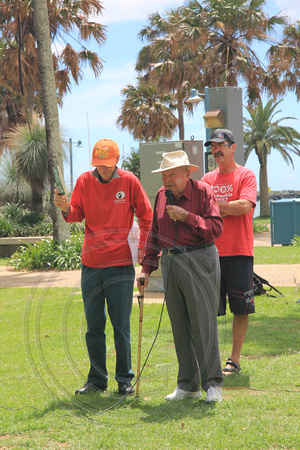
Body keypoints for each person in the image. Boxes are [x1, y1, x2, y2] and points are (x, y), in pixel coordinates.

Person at [54, 138, 153, 395]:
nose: (103, 168)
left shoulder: (130, 181)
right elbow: (77, 214)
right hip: (91, 265)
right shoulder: (84, 181)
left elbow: (147, 216)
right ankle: (97, 380)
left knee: (121, 325)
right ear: (93, 163)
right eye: (99, 164)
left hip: (120, 264)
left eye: (107, 164)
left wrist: (142, 249)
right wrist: (66, 208)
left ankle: (124, 379)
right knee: (94, 326)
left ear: (116, 161)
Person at [137, 150, 224, 403]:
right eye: (164, 175)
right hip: (171, 262)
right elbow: (154, 232)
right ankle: (188, 385)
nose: (167, 179)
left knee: (204, 324)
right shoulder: (161, 197)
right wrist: (146, 268)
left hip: (200, 259)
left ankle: (213, 385)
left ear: (187, 173)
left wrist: (188, 217)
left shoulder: (203, 192)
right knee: (179, 325)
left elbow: (216, 228)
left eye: (172, 174)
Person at [201, 129, 257, 376]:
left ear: (233, 147)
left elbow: (245, 206)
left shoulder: (245, 175)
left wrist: (214, 207)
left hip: (239, 252)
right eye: (212, 146)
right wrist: (225, 208)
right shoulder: (206, 179)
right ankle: (209, 359)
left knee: (240, 308)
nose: (215, 150)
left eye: (220, 145)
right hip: (209, 253)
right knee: (208, 308)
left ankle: (234, 359)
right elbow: (200, 211)